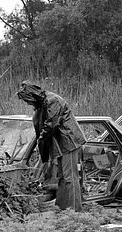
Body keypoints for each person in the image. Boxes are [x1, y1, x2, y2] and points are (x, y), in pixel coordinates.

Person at [17, 80, 86, 212]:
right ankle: (63, 208)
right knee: (62, 177)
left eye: (27, 100)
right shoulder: (41, 105)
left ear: (32, 96)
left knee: (70, 177)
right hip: (60, 143)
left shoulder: (52, 100)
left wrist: (41, 143)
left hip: (69, 141)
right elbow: (41, 129)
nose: (27, 103)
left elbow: (50, 125)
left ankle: (75, 211)